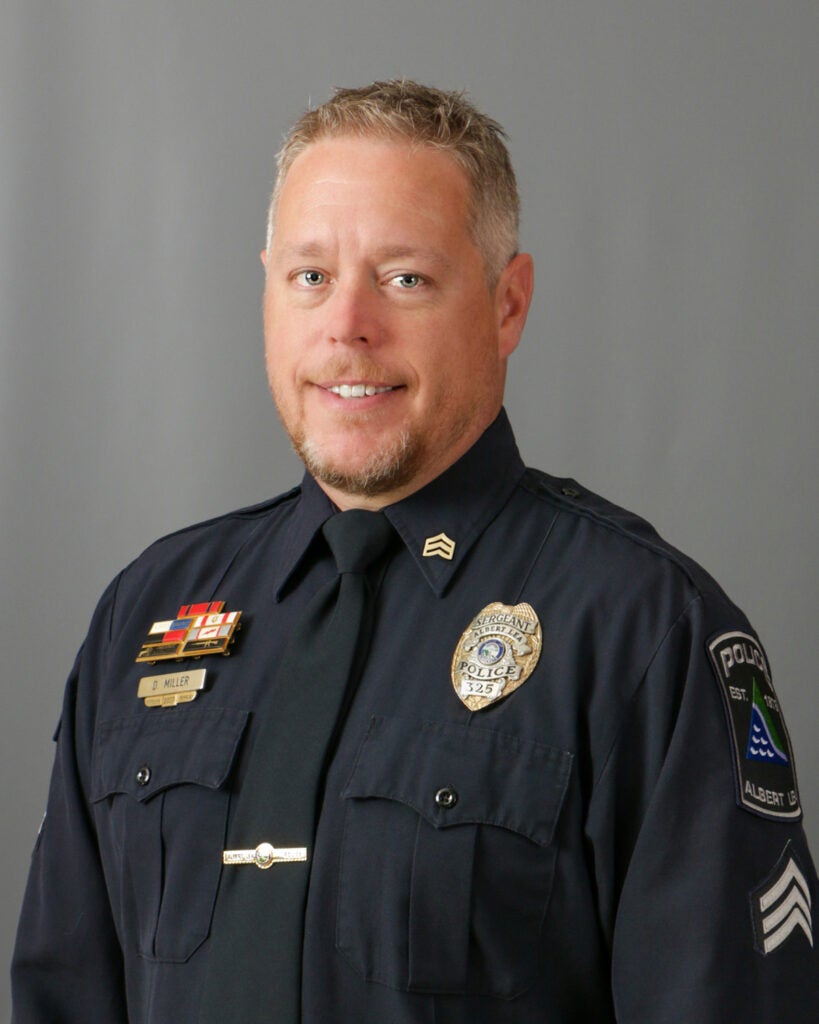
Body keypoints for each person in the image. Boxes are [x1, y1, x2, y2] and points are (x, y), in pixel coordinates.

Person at [11, 80, 818, 1023]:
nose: (347, 325)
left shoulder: (642, 631)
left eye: (405, 278)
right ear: (267, 291)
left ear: (506, 305)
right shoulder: (143, 614)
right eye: (310, 276)